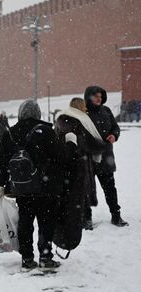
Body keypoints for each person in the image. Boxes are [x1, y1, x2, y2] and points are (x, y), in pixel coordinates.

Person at [0, 100, 70, 271]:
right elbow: (61, 157)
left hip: (23, 188)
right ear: (38, 113)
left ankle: (27, 259)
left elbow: (2, 162)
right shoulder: (46, 131)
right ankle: (45, 257)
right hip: (47, 188)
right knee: (46, 221)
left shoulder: (10, 133)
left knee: (25, 222)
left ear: (21, 113)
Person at [54, 98, 107, 236]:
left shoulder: (60, 120)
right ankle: (86, 219)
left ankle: (70, 218)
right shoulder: (82, 120)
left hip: (64, 162)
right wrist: (99, 150)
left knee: (68, 192)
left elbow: (56, 139)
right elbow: (92, 142)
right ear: (80, 107)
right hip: (81, 163)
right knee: (84, 191)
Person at [84, 86, 128, 227]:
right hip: (88, 158)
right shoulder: (82, 113)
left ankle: (116, 215)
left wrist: (114, 135)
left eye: (101, 96)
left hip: (106, 157)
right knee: (86, 190)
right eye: (96, 96)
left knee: (110, 188)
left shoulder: (106, 111)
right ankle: (86, 218)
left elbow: (115, 127)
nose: (99, 99)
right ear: (89, 97)